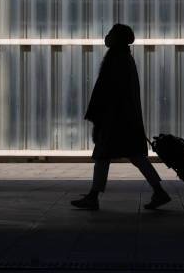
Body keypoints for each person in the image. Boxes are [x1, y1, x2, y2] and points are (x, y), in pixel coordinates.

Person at [70, 24, 171, 211]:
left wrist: (99, 119)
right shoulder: (125, 59)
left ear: (117, 39)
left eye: (110, 34)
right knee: (135, 157)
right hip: (125, 120)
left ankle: (93, 197)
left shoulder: (116, 60)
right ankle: (158, 191)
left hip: (115, 121)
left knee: (104, 156)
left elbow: (107, 92)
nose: (106, 37)